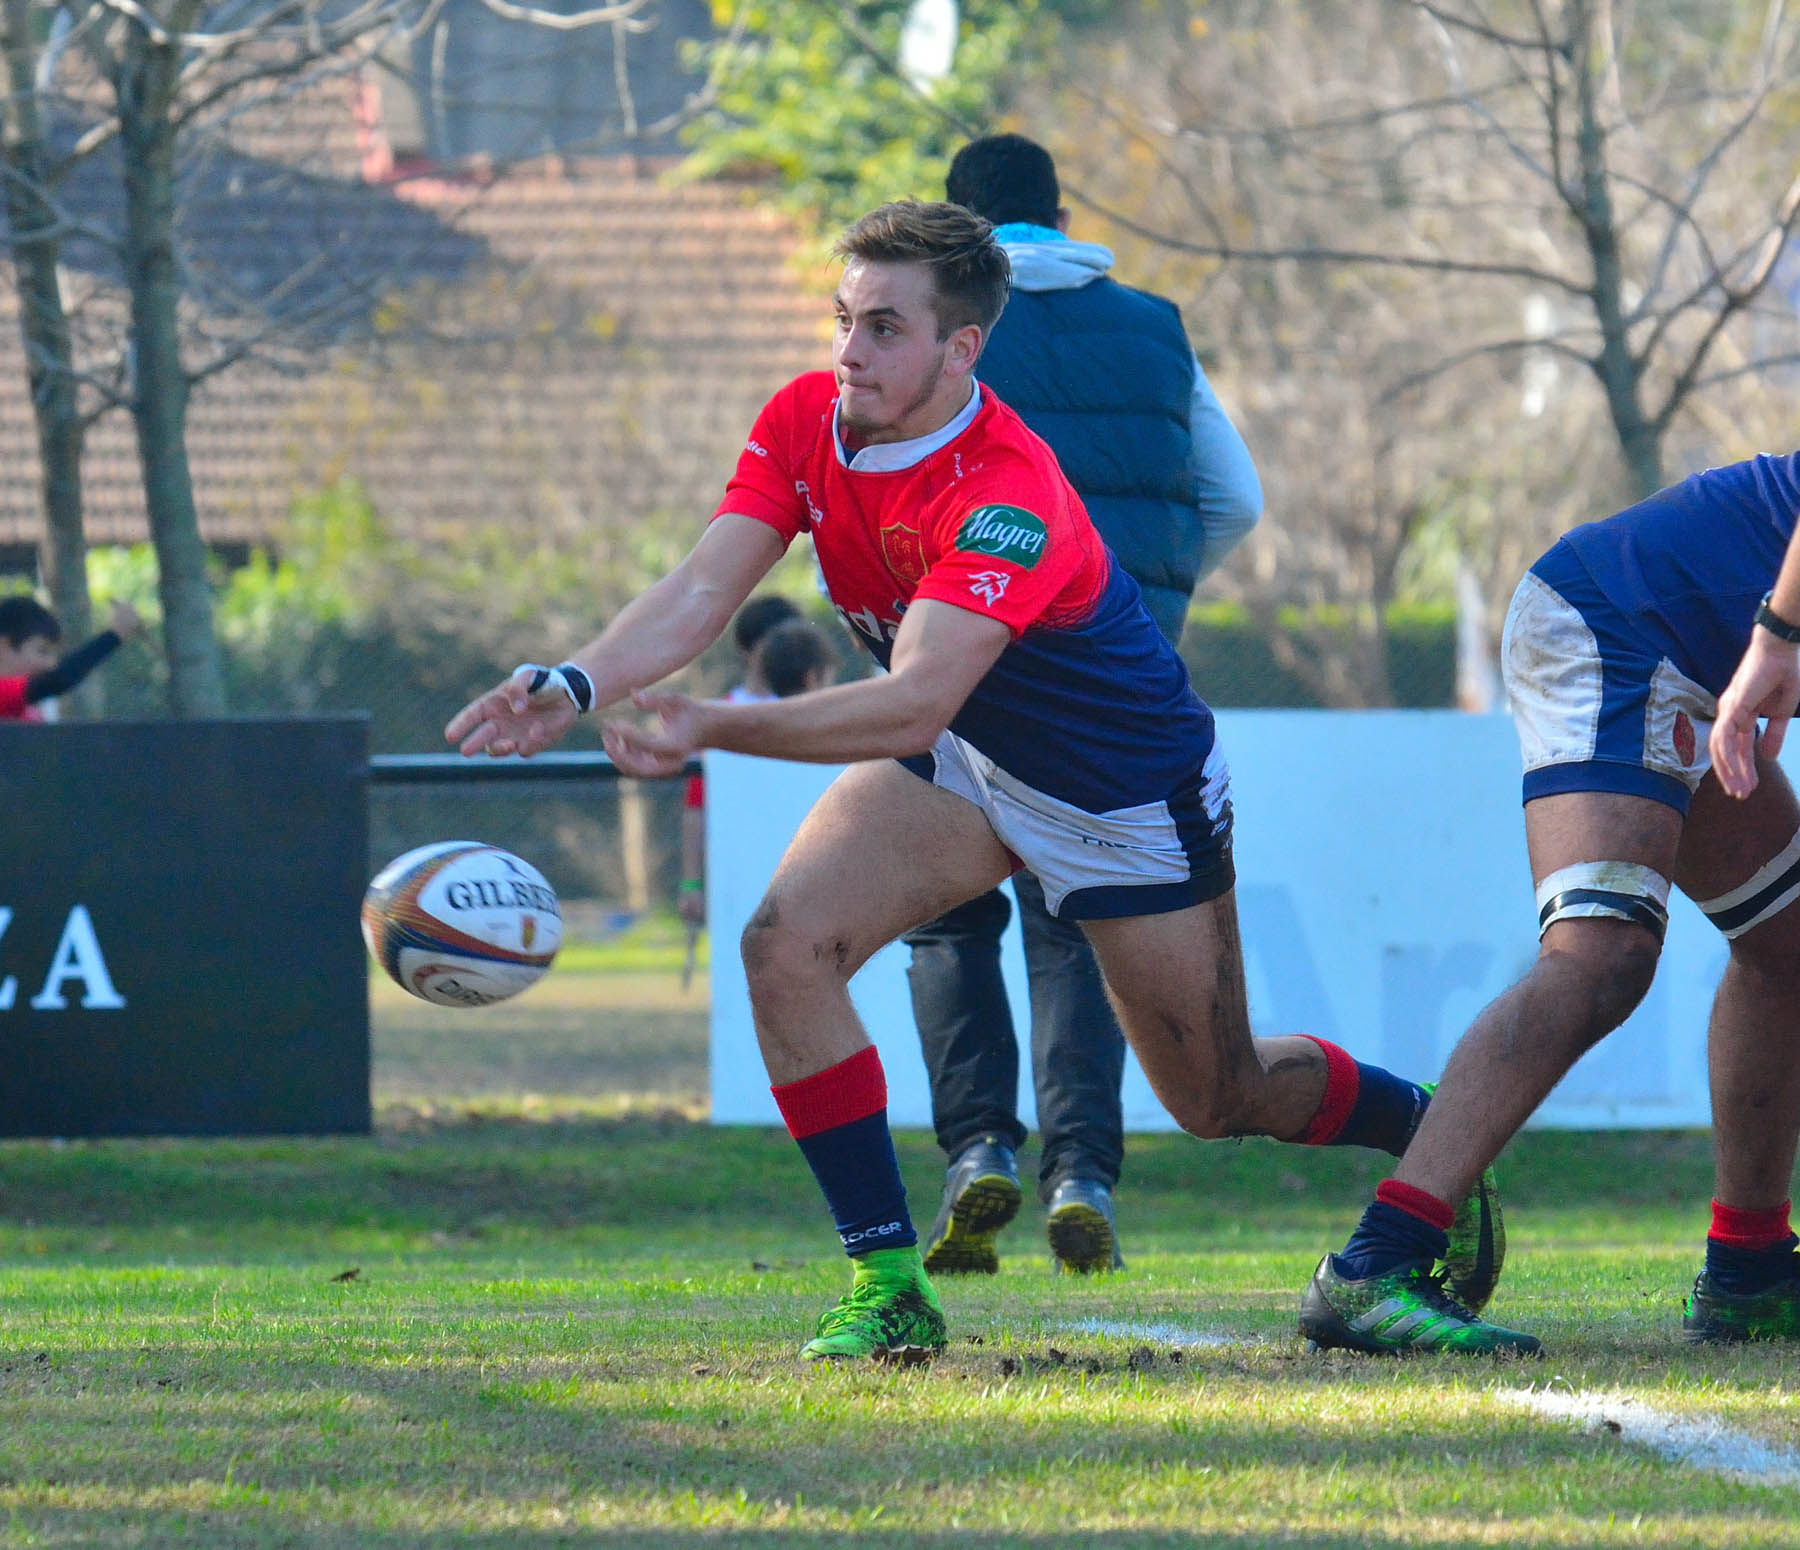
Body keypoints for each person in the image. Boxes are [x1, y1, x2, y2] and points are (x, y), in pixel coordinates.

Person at [447, 200, 1489, 1362]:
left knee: (1218, 1096)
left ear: (962, 348)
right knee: (784, 945)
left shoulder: (1007, 487)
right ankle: (889, 1280)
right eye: (843, 319)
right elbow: (702, 591)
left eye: (884, 327)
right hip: (967, 767)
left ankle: (1436, 1138)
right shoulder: (806, 420)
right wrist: (576, 681)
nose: (849, 351)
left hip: (1121, 796)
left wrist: (706, 729)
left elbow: (912, 697)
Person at [1300, 451, 1800, 1357]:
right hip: (1617, 624)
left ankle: (1752, 1271)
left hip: (1679, 643)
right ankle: (1378, 1264)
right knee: (1601, 959)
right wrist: (1776, 636)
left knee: (1790, 944)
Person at [906, 133, 1264, 1277]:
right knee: (1081, 927)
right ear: (1061, 214)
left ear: (953, 230)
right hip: (1116, 690)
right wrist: (1137, 601)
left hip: (960, 681)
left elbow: (867, 500)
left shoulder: (941, 333)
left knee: (949, 918)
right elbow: (1236, 501)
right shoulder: (1153, 325)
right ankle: (1083, 1172)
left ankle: (975, 1151)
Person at [678, 595, 804, 930]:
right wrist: (692, 883)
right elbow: (696, 808)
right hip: (739, 876)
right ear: (747, 651)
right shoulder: (717, 721)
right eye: (773, 645)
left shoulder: (815, 716)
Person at [0, 595, 143, 722]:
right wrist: (116, 634)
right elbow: (59, 679)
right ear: (4, 646)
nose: (51, 664)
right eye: (42, 651)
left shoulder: (31, 713)